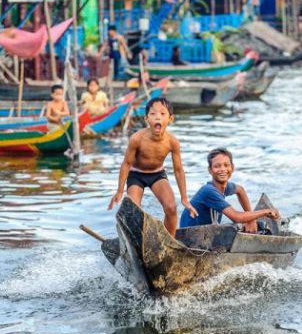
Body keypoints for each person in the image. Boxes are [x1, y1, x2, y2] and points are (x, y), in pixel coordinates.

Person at [108, 97, 197, 237]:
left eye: (162, 114)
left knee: (171, 208)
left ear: (170, 119)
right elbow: (126, 164)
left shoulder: (172, 142)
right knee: (133, 211)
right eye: (153, 114)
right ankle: (135, 241)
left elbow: (179, 170)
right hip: (136, 175)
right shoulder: (137, 139)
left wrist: (184, 198)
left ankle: (169, 241)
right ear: (146, 119)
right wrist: (120, 191)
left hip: (157, 175)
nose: (157, 117)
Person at [179, 148, 280, 233]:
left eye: (226, 165)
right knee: (238, 225)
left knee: (257, 226)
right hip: (190, 237)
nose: (222, 169)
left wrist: (251, 220)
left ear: (232, 168)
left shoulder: (225, 187)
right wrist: (266, 211)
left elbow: (241, 190)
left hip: (206, 233)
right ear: (210, 170)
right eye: (217, 166)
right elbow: (236, 217)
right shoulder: (208, 191)